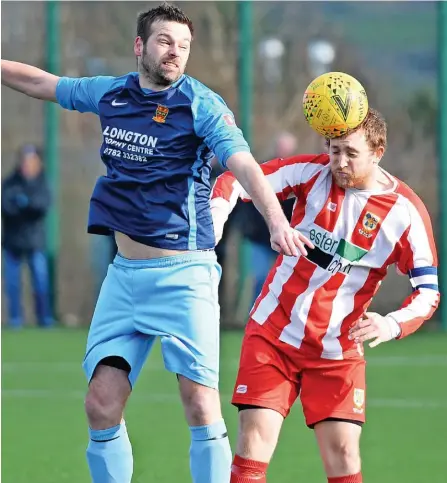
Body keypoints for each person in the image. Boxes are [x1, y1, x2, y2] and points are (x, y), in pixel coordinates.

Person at [1, 3, 310, 483]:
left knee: (200, 401)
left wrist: (276, 220)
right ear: (140, 46)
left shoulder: (201, 104)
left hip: (184, 275)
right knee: (100, 404)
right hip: (124, 278)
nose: (176, 53)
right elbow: (45, 84)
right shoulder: (112, 93)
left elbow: (244, 164)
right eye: (166, 42)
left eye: (184, 46)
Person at [210, 108, 440, 483]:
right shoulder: (311, 172)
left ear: (378, 151)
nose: (340, 162)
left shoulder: (405, 213)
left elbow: (428, 293)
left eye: (351, 152)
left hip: (337, 351)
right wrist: (217, 215)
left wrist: (391, 323)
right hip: (275, 333)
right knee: (253, 442)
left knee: (344, 455)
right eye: (334, 150)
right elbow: (237, 178)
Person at [239, 132, 298, 307]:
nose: (283, 151)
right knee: (260, 279)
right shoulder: (262, 171)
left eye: (287, 147)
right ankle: (254, 316)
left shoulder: (299, 175)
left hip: (288, 239)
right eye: (281, 146)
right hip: (260, 238)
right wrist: (249, 227)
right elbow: (248, 201)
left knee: (287, 283)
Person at [2, 144, 54, 328]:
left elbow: (42, 206)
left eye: (31, 161)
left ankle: (44, 319)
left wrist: (26, 204)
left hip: (35, 243)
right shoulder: (10, 182)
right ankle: (15, 320)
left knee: (41, 283)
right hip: (12, 243)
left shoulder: (42, 183)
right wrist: (22, 206)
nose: (27, 165)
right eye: (25, 161)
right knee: (13, 285)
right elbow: (6, 205)